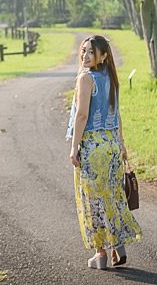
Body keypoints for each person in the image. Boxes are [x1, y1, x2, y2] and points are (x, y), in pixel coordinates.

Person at [66, 34, 141, 269]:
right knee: (113, 197)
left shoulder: (86, 79)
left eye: (91, 52)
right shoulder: (110, 77)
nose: (85, 56)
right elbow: (116, 114)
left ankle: (101, 255)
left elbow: (82, 116)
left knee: (93, 201)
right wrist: (122, 144)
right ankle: (118, 246)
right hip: (111, 146)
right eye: (84, 51)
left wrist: (74, 147)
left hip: (93, 148)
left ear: (104, 55)